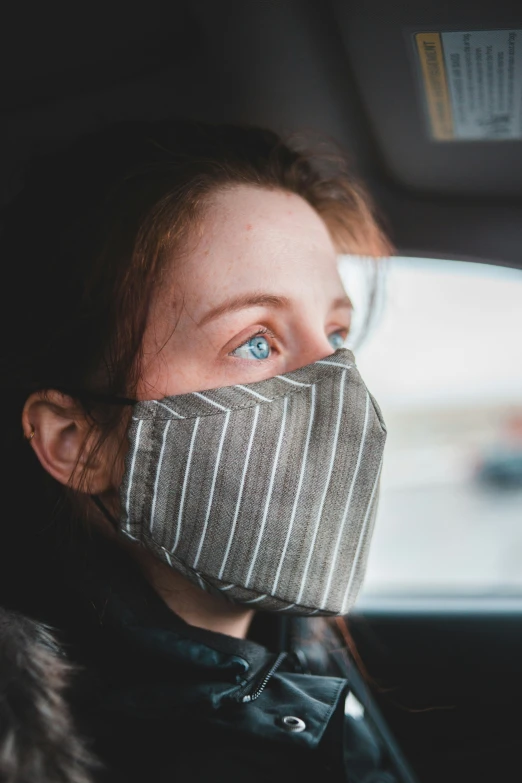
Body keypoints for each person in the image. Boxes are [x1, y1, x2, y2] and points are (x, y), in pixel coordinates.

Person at [0, 120, 416, 783]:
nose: (341, 383)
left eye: (336, 332)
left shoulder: (289, 643)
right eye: (257, 340)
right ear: (75, 442)